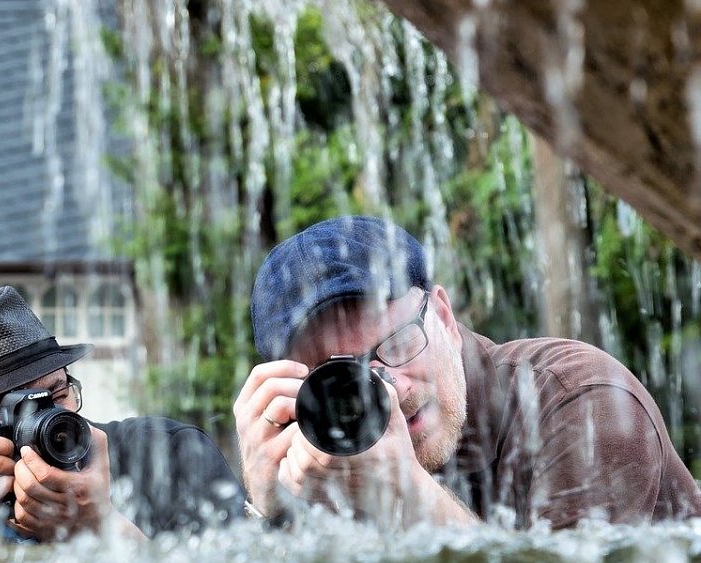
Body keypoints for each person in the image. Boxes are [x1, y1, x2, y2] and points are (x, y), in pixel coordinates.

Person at [235, 214, 701, 530]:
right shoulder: (321, 460)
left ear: (444, 317)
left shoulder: (583, 400)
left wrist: (410, 495)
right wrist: (270, 510)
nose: (389, 389)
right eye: (343, 376)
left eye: (397, 344)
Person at [0, 286, 244, 553]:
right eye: (9, 412)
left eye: (55, 396)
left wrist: (102, 524)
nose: (43, 420)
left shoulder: (166, 455)